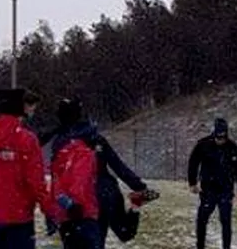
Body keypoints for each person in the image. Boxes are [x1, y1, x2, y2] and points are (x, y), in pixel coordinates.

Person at [50, 98, 160, 246]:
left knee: (86, 238)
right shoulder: (95, 137)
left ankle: (134, 206)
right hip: (107, 191)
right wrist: (139, 186)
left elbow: (57, 177)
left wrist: (54, 213)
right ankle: (135, 207)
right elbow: (117, 164)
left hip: (82, 199)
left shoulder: (60, 143)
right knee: (124, 232)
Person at [0, 87, 52, 249]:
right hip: (18, 215)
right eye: (30, 106)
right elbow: (35, 180)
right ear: (20, 108)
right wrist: (48, 209)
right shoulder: (26, 139)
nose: (32, 110)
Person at [187, 117, 237, 249]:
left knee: (226, 220)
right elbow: (193, 163)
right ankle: (200, 245)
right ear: (214, 134)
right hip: (208, 189)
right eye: (218, 138)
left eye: (223, 138)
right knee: (202, 219)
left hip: (226, 189)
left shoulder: (232, 148)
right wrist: (192, 182)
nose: (220, 141)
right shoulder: (203, 145)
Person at [47, 115, 103, 249]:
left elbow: (55, 182)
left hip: (64, 216)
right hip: (82, 213)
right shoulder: (86, 154)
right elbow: (80, 180)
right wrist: (75, 204)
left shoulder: (64, 154)